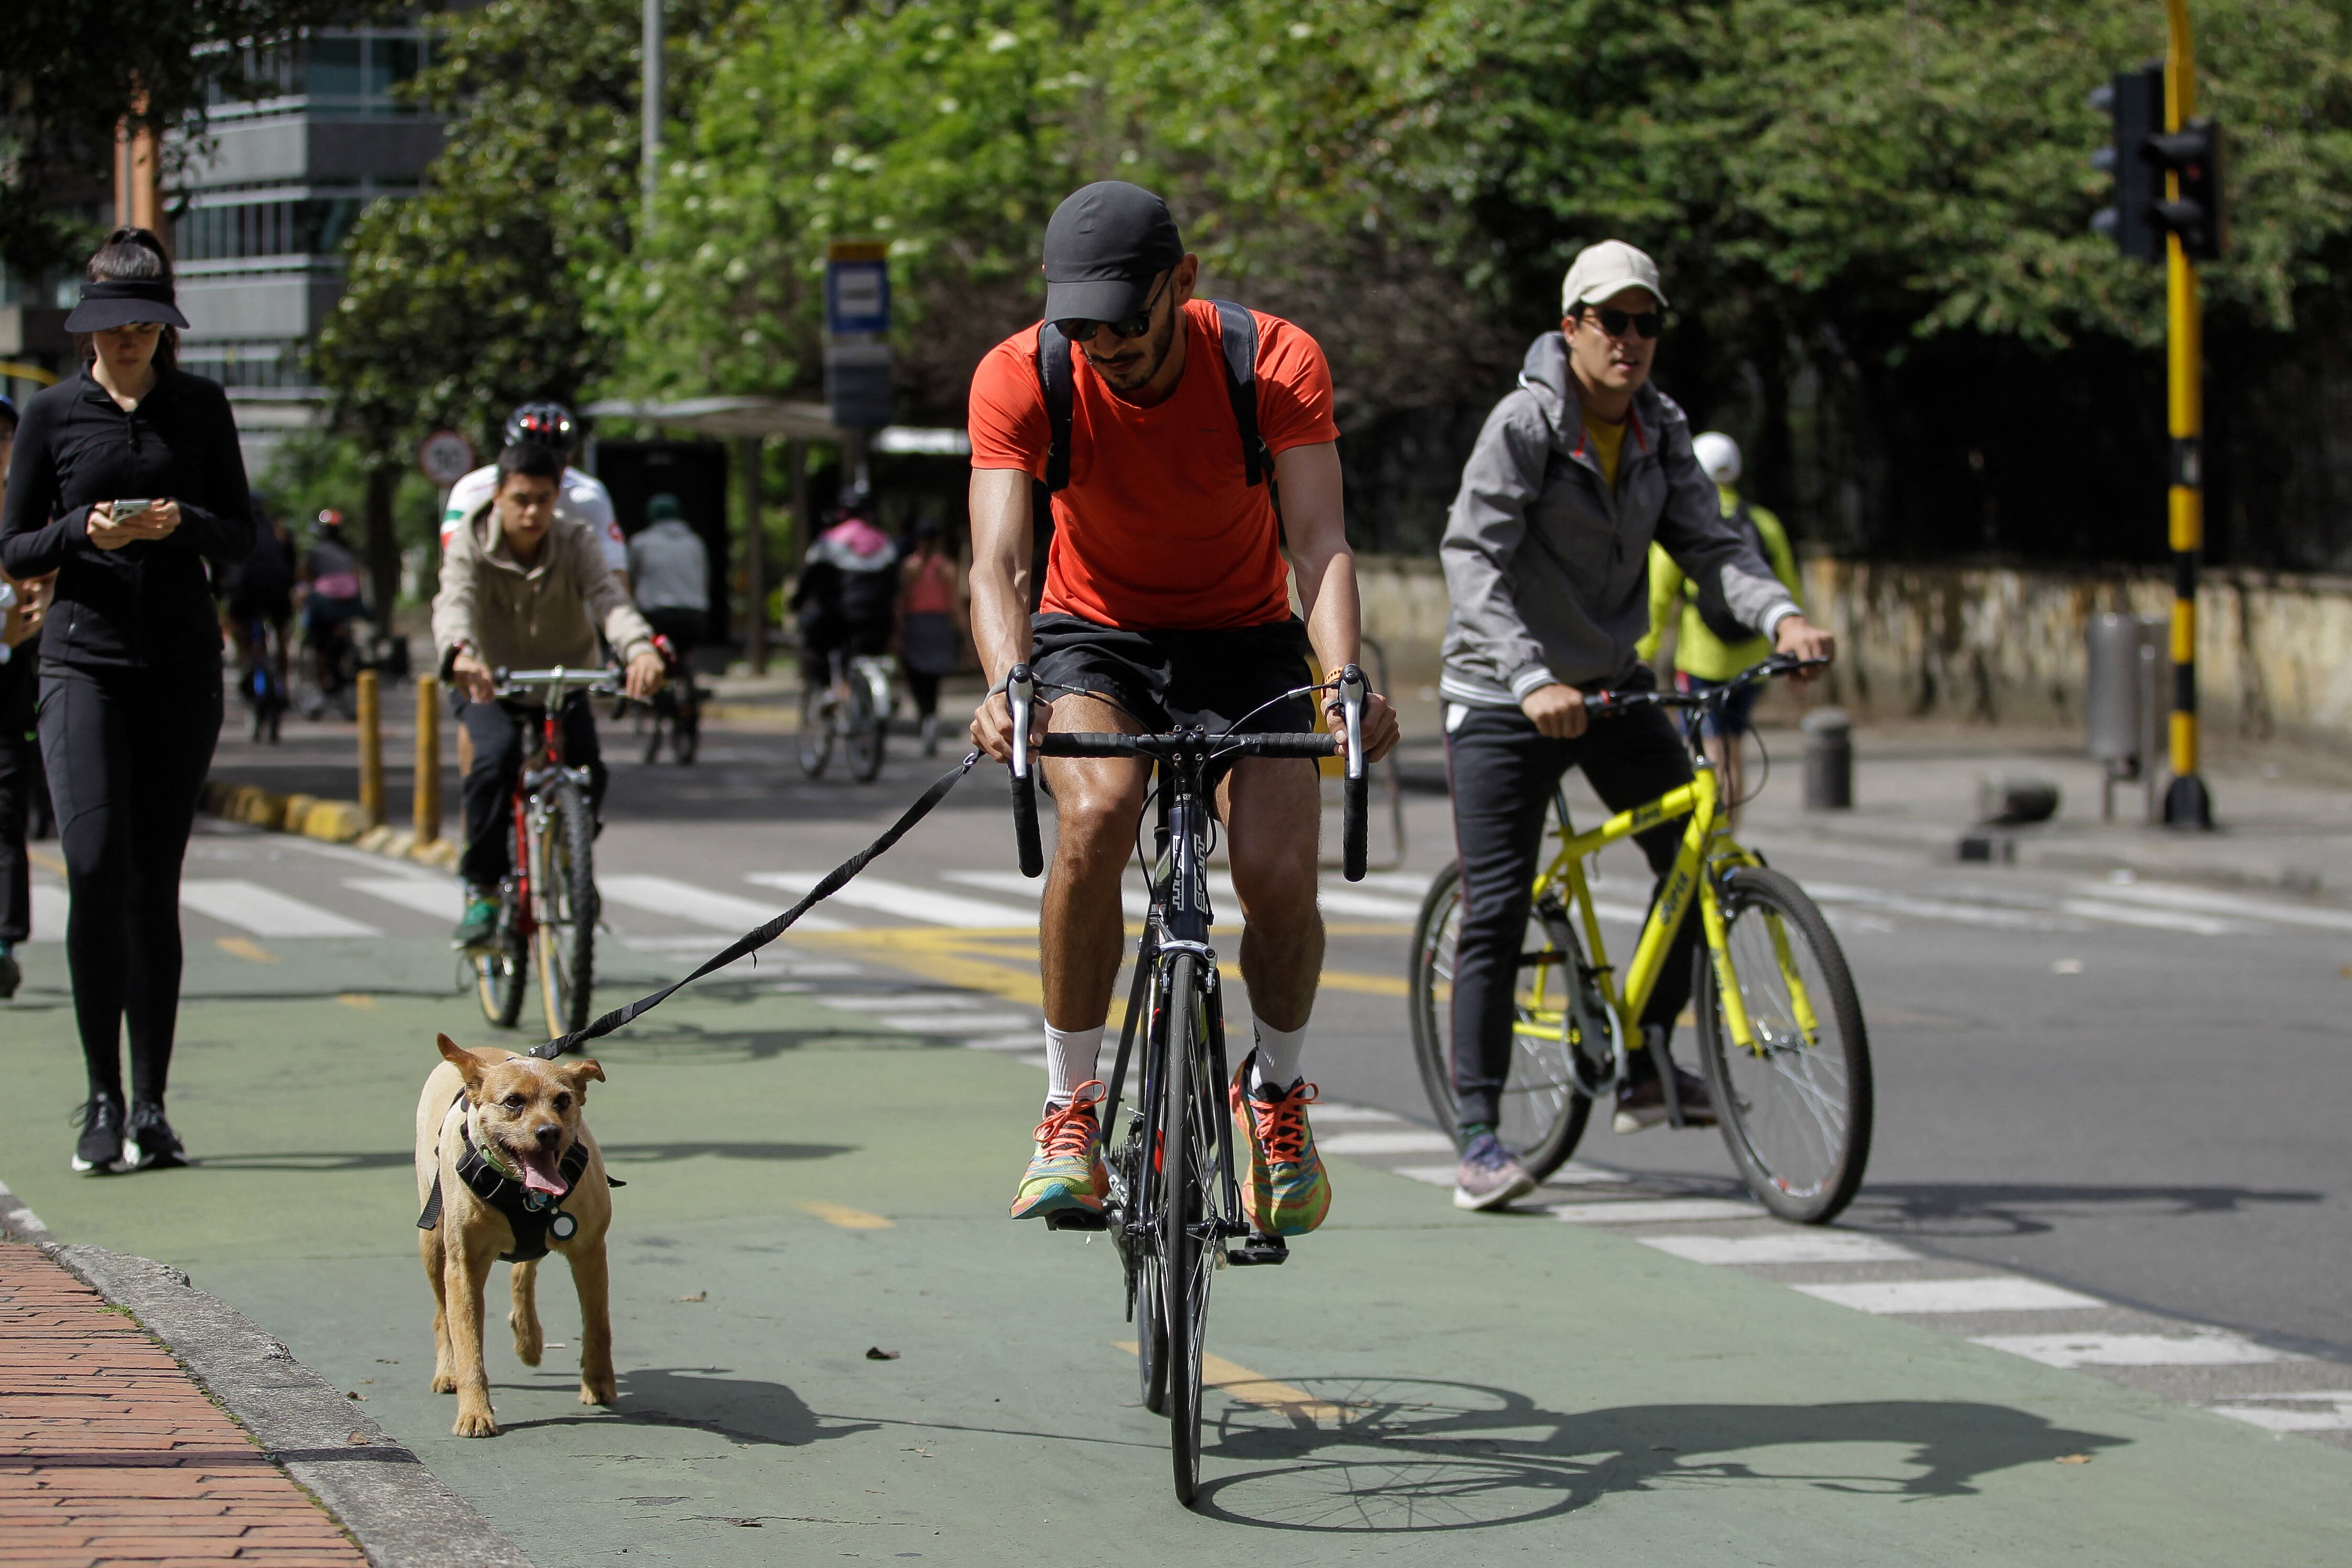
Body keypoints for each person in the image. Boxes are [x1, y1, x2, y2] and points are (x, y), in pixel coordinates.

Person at [966, 181, 1399, 1237]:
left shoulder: (1271, 358)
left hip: (1247, 638)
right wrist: (1004, 682)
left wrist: (1342, 682)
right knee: (1098, 812)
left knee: (1280, 869)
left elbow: (1321, 543)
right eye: (1083, 320)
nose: (1105, 341)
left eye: (1126, 314)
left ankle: (1277, 1092)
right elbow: (998, 560)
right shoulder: (1023, 373)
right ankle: (1070, 1105)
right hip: (1091, 635)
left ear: (1184, 281)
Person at [1437, 239, 1834, 1210]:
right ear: (1569, 328)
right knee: (1496, 904)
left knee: (1691, 855)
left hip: (1610, 686)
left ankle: (1646, 1060)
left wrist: (1778, 614)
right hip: (1502, 696)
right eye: (1608, 321)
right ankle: (1481, 1133)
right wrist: (1528, 677)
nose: (1628, 340)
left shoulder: (1659, 428)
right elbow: (1471, 555)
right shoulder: (1525, 425)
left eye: (1644, 322)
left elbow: (1709, 544)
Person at [0, 226, 255, 1173]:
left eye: (143, 326)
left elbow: (241, 534)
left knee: (156, 883)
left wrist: (180, 520)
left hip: (182, 667)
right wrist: (84, 532)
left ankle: (152, 1103)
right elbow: (16, 544)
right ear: (87, 330)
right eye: (112, 328)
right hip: (81, 664)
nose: (127, 342)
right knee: (96, 864)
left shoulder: (200, 407)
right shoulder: (51, 415)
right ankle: (99, 1099)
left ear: (162, 326)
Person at [433, 443, 662, 950]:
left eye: (543, 498)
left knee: (590, 772)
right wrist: (462, 654)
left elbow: (610, 599)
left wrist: (640, 649)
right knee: (493, 764)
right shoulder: (470, 542)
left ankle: (568, 857)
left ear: (558, 496)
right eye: (520, 499)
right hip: (489, 681)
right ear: (498, 495)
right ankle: (485, 890)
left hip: (563, 678)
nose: (532, 511)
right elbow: (455, 601)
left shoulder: (576, 540)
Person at [1635, 431, 1805, 823]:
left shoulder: (1685, 525)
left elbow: (1657, 600)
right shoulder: (1765, 523)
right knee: (1735, 749)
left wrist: (1641, 656)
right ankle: (1730, 836)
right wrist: (1792, 644)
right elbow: (1786, 590)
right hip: (1752, 661)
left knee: (1709, 751)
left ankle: (1709, 839)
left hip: (1702, 660)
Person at [440, 402, 628, 590]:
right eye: (526, 464)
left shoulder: (589, 496)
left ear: (569, 461)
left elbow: (615, 573)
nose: (541, 478)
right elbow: (458, 566)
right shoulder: (471, 490)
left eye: (554, 468)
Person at [0, 391, 47, 1000]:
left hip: (14, 685)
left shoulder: (31, 513)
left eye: (4, 434)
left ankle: (5, 942)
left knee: (6, 809)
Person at [790, 485, 898, 700]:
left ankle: (826, 691)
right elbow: (895, 584)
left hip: (839, 618)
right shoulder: (884, 543)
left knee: (816, 644)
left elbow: (809, 580)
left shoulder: (829, 542)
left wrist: (796, 603)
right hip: (878, 619)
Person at [897, 518, 966, 756]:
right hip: (931, 625)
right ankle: (929, 716)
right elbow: (954, 604)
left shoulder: (917, 568)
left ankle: (928, 716)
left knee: (923, 676)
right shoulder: (940, 568)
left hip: (926, 624)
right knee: (927, 677)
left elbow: (902, 602)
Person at [222, 497, 294, 706]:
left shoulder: (234, 526)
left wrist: (220, 590)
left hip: (244, 590)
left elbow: (222, 564)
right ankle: (283, 682)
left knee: (234, 623)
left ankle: (247, 659)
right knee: (281, 633)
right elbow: (291, 559)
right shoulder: (279, 529)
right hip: (277, 589)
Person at [625, 492, 711, 664]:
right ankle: (689, 679)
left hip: (656, 614)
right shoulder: (694, 542)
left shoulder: (641, 543)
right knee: (685, 652)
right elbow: (704, 577)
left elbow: (629, 578)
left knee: (656, 650)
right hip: (693, 614)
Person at [297, 508, 368, 700]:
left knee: (318, 645)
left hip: (325, 610)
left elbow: (305, 577)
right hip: (347, 607)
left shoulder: (316, 553)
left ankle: (324, 682)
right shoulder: (347, 552)